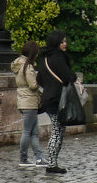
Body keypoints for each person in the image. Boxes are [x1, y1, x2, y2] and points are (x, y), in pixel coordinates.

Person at [39, 30, 76, 175]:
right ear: (57, 43)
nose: (65, 44)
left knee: (58, 129)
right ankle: (52, 163)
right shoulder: (58, 58)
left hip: (49, 98)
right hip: (57, 99)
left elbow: (39, 80)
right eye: (63, 41)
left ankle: (53, 162)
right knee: (57, 130)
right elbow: (68, 76)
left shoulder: (46, 58)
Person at [11, 40, 44, 167]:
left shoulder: (19, 64)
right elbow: (33, 85)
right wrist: (39, 80)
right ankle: (23, 158)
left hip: (23, 100)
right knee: (28, 131)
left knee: (34, 132)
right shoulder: (28, 66)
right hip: (29, 101)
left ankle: (39, 158)